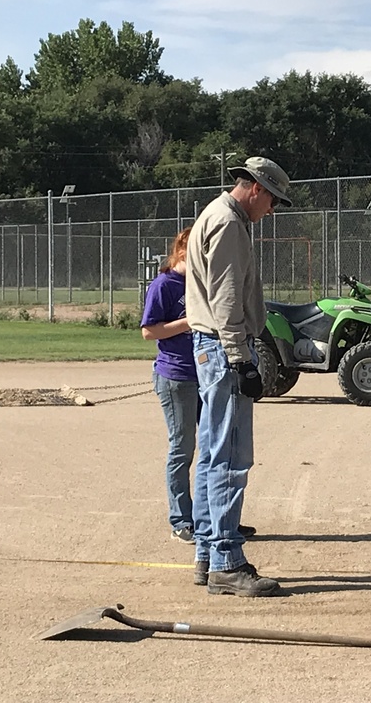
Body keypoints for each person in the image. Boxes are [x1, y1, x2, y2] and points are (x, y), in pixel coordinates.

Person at [185, 156, 292, 597]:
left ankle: (208, 555)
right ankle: (227, 560)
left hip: (207, 345)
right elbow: (227, 300)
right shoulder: (229, 223)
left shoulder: (215, 214)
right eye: (273, 202)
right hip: (222, 345)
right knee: (230, 457)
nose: (272, 211)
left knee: (212, 453)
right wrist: (241, 358)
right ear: (257, 189)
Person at [141, 228, 259, 546]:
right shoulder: (164, 284)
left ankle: (216, 520)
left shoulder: (201, 283)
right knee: (183, 448)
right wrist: (188, 321)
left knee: (214, 448)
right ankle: (182, 520)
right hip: (176, 376)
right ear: (182, 252)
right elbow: (149, 331)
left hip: (207, 373)